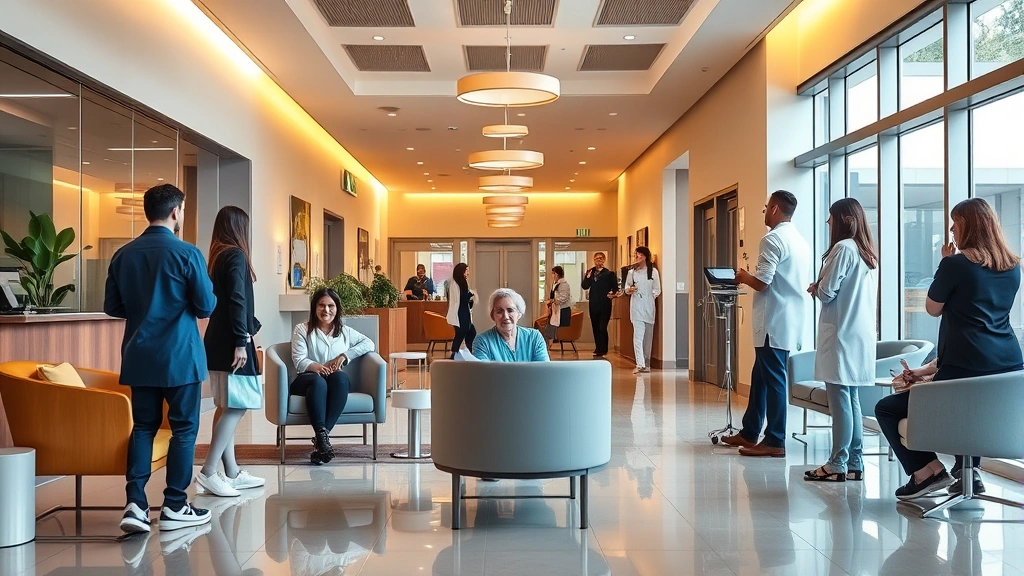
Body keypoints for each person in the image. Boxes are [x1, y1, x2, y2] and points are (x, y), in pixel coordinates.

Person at [876, 197, 1023, 499]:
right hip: (1007, 363)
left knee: (887, 409)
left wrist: (944, 263)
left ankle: (926, 472)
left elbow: (932, 308)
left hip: (963, 365)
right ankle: (971, 473)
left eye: (956, 222)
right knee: (972, 411)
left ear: (968, 225)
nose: (952, 229)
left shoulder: (955, 264)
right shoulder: (1012, 266)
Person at [105, 183, 217, 535]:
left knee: (143, 428)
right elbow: (206, 305)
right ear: (175, 212)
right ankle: (174, 505)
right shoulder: (187, 254)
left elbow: (113, 307)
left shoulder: (124, 254)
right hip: (180, 357)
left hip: (140, 356)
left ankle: (135, 504)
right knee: (183, 430)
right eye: (182, 209)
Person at [722, 190, 811, 458]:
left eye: (765, 208)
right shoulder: (800, 240)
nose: (764, 213)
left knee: (773, 381)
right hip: (789, 318)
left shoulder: (772, 239)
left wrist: (742, 275)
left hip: (773, 320)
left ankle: (775, 440)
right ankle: (750, 431)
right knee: (760, 377)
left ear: (774, 209)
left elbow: (762, 282)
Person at [804, 199, 878, 482]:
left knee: (841, 402)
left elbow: (827, 292)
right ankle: (855, 461)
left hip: (841, 334)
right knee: (852, 400)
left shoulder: (842, 249)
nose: (828, 223)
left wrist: (817, 287)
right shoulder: (867, 252)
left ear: (844, 219)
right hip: (858, 334)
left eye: (831, 218)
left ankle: (837, 464)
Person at [196, 206, 265, 497]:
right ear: (239, 228)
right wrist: (242, 339)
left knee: (226, 404)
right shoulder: (235, 255)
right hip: (232, 343)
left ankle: (232, 473)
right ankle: (209, 472)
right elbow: (237, 299)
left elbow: (227, 303)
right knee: (237, 404)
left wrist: (249, 325)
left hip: (217, 340)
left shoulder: (218, 256)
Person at [291, 287, 375, 465]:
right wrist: (317, 367)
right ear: (314, 307)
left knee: (341, 378)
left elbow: (369, 343)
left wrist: (345, 356)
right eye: (321, 305)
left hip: (333, 379)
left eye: (331, 306)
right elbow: (299, 360)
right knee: (318, 381)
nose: (326, 310)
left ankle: (322, 438)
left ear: (337, 309)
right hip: (307, 379)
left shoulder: (344, 331)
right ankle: (323, 440)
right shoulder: (302, 329)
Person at [473, 288, 550, 362]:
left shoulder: (534, 337)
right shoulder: (482, 342)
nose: (506, 317)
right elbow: (482, 373)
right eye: (499, 311)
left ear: (519, 314)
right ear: (493, 316)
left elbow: (544, 371)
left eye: (510, 310)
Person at [619, 247, 661, 374]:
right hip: (636, 306)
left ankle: (647, 363)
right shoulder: (632, 272)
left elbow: (657, 289)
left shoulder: (653, 272)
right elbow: (626, 287)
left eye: (640, 255)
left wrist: (650, 297)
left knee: (648, 337)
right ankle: (640, 364)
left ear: (645, 257)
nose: (638, 258)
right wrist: (629, 290)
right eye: (636, 255)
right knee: (638, 336)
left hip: (648, 306)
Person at [581, 252, 618, 357]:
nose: (598, 260)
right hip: (593, 303)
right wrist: (587, 277)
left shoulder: (609, 274)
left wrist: (612, 293)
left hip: (605, 303)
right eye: (596, 258)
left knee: (602, 327)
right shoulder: (590, 272)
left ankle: (604, 348)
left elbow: (615, 288)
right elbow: (585, 286)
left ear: (604, 260)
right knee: (595, 326)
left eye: (601, 258)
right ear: (594, 260)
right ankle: (598, 348)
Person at [446, 263, 476, 358]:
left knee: (470, 332)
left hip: (462, 311)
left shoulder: (457, 282)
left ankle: (468, 352)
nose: (468, 273)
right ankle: (454, 355)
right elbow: (463, 299)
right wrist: (472, 293)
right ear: (462, 272)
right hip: (461, 313)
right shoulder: (460, 283)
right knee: (462, 334)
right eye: (467, 270)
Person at [543, 265, 573, 342]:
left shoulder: (563, 284)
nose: (552, 276)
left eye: (553, 273)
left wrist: (553, 301)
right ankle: (548, 342)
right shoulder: (556, 284)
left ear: (556, 274)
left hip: (563, 311)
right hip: (556, 310)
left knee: (549, 326)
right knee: (546, 324)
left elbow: (564, 297)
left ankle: (549, 343)